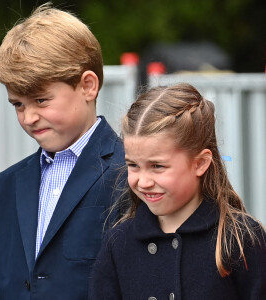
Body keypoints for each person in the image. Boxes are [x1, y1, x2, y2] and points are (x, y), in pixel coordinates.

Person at [0, 4, 125, 299]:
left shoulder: (130, 175)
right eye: (18, 104)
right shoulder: (7, 185)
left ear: (88, 86)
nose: (28, 117)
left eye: (41, 100)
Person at [89, 83, 266, 300]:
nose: (143, 181)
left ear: (200, 163)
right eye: (133, 165)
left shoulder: (241, 238)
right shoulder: (118, 243)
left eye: (157, 166)